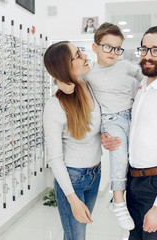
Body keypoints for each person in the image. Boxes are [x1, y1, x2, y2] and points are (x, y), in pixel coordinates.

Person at [102, 25, 157, 240]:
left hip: (153, 184)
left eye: (156, 50)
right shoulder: (141, 87)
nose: (147, 56)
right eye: (144, 49)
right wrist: (109, 138)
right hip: (132, 180)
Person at [58, 22, 144, 230]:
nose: (113, 52)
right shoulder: (90, 71)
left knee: (133, 158)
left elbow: (143, 74)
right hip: (111, 120)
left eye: (117, 48)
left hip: (131, 117)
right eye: (107, 47)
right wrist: (61, 84)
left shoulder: (125, 66)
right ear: (95, 47)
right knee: (118, 156)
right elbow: (68, 77)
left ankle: (116, 201)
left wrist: (145, 85)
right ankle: (119, 202)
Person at [43, 41, 102, 240]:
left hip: (95, 173)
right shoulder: (55, 106)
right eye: (77, 55)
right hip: (73, 179)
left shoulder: (91, 84)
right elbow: (55, 159)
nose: (84, 56)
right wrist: (73, 200)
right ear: (65, 66)